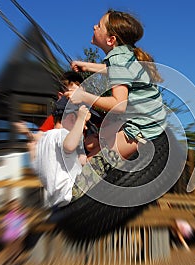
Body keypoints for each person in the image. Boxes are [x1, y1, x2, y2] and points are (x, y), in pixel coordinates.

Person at [68, 9, 167, 161]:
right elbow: (118, 72)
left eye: (99, 26)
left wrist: (83, 96)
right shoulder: (125, 54)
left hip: (143, 128)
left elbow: (119, 104)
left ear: (111, 40)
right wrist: (88, 66)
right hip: (151, 120)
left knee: (90, 165)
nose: (94, 27)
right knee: (90, 144)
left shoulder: (118, 59)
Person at [29, 98, 92, 207]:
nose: (85, 127)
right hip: (72, 191)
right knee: (111, 155)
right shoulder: (61, 133)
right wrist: (81, 119)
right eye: (84, 123)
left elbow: (36, 167)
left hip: (56, 200)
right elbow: (70, 146)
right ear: (72, 118)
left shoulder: (43, 141)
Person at [0, 199, 28, 265]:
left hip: (19, 234)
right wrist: (4, 225)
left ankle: (13, 261)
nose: (15, 206)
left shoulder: (21, 215)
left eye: (16, 204)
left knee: (18, 249)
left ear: (19, 206)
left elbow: (24, 224)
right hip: (10, 234)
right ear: (10, 207)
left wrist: (24, 232)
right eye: (13, 205)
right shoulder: (9, 215)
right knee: (10, 249)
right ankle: (9, 262)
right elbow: (4, 223)